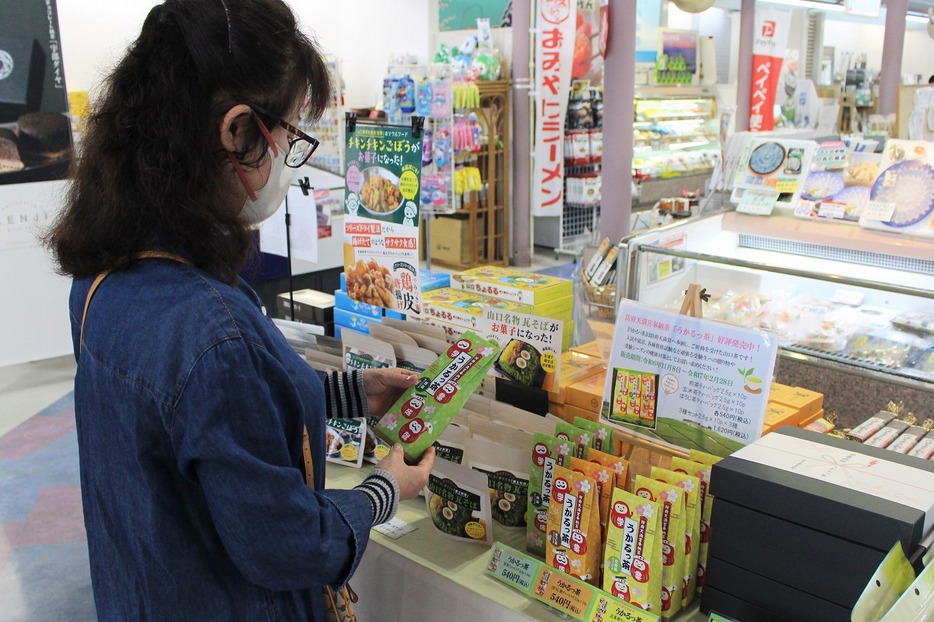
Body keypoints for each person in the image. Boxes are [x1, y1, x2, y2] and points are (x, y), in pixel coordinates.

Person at [43, 0, 435, 620]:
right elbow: (290, 544)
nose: (288, 155)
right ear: (238, 132)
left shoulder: (104, 276)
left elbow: (201, 432)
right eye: (290, 134)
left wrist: (346, 394)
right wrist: (385, 490)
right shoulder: (213, 332)